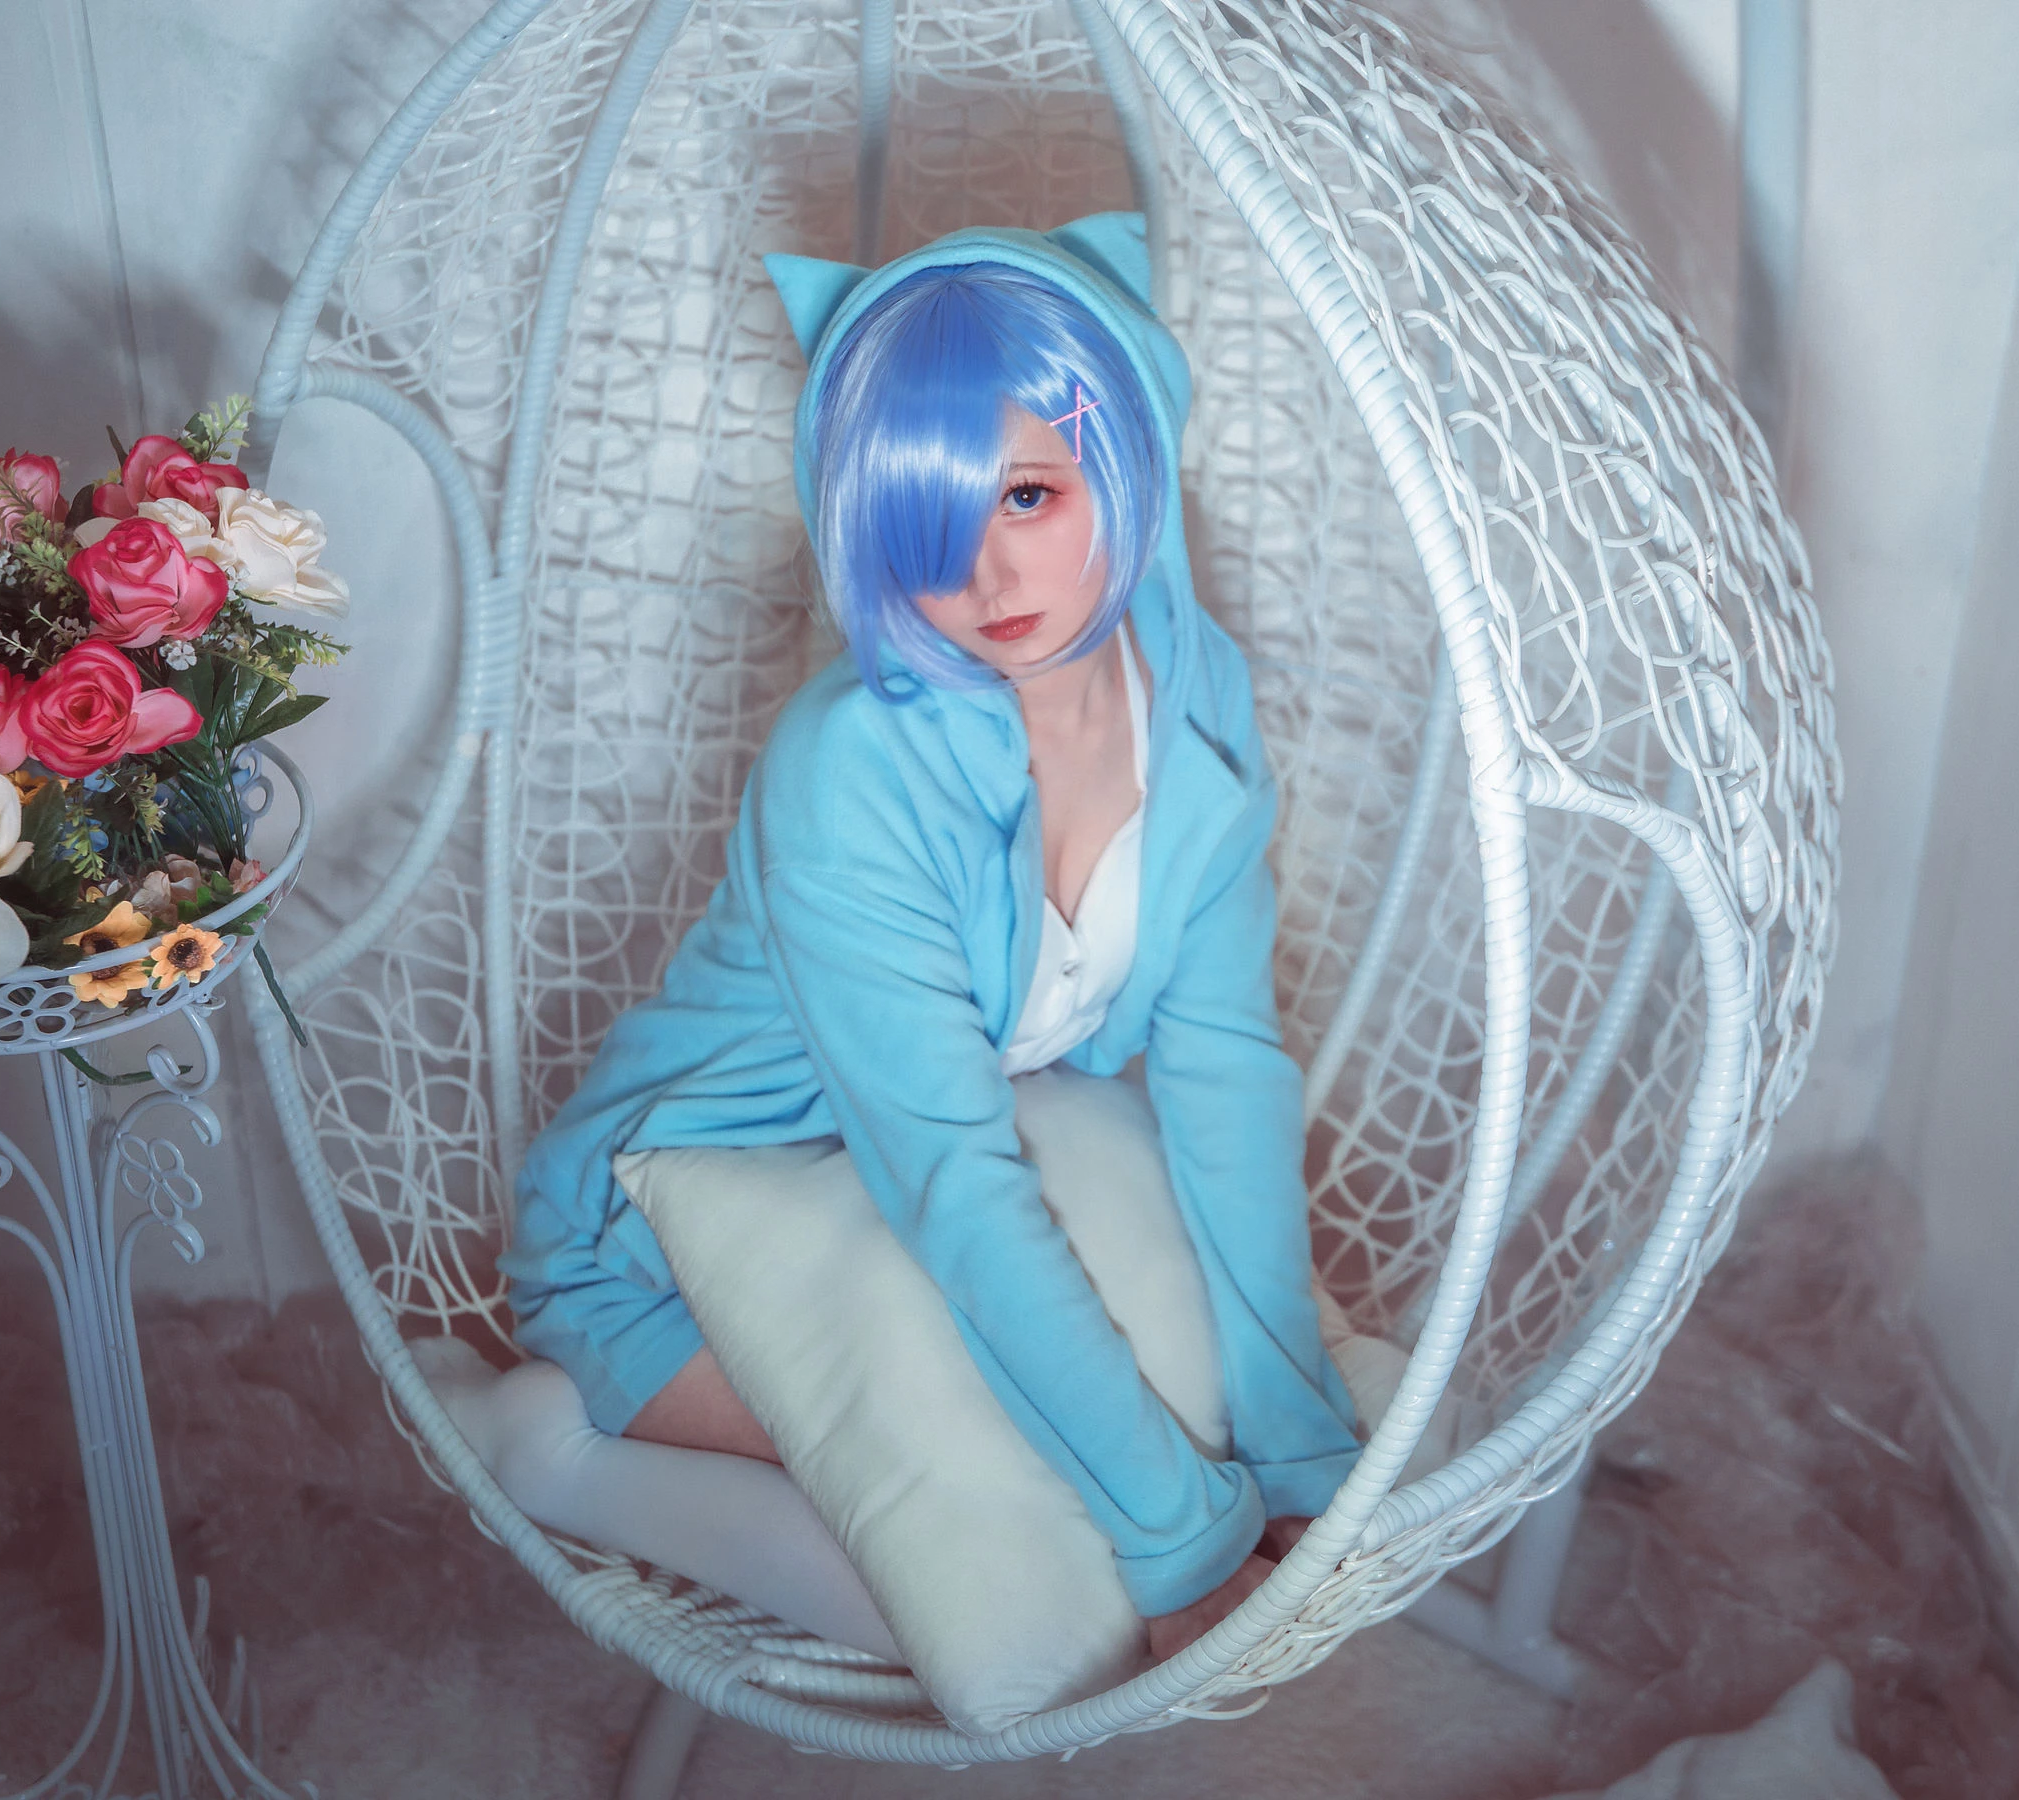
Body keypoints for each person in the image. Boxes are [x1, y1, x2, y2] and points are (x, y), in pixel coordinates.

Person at [459, 213, 1365, 1668]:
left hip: (905, 1170)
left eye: (1028, 494)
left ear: (1125, 449)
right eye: (923, 530)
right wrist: (1184, 1537)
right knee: (1015, 1584)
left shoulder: (1197, 700)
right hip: (675, 1227)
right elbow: (955, 1182)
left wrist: (1300, 1446)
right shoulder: (853, 769)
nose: (988, 583)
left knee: (1129, 1456)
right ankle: (538, 1452)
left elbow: (1225, 1071)